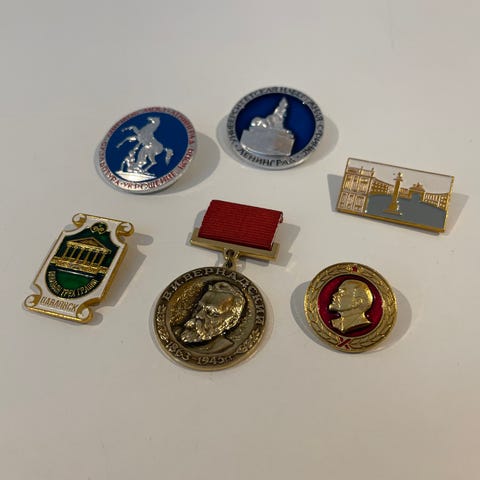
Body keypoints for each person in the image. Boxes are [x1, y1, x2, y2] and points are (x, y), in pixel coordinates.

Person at [180, 282, 246, 348]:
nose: (198, 315)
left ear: (231, 321)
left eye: (211, 313)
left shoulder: (226, 348)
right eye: (199, 308)